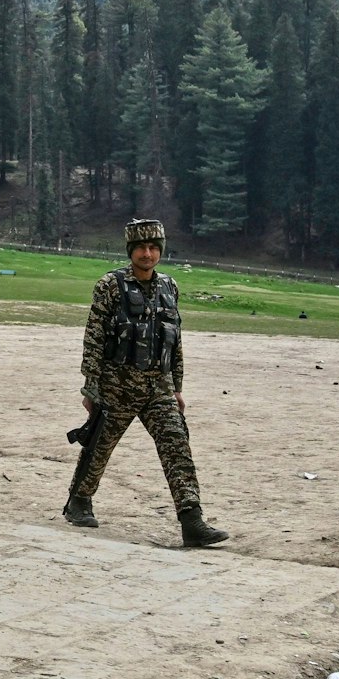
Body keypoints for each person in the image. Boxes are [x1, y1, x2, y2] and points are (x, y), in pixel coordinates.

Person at [63, 219, 229, 549]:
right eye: (141, 248)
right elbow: (93, 337)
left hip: (160, 386)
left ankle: (191, 520)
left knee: (176, 444)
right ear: (131, 251)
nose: (148, 254)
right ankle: (79, 502)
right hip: (117, 384)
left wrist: (177, 387)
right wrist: (90, 386)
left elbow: (175, 340)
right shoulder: (110, 285)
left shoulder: (170, 286)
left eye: (154, 248)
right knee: (99, 446)